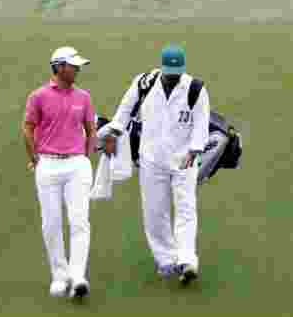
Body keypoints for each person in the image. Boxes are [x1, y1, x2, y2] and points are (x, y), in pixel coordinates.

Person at [100, 44, 210, 284]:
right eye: (169, 74)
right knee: (154, 211)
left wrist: (195, 149)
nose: (172, 79)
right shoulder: (144, 83)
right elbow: (125, 109)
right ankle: (166, 260)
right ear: (162, 69)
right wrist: (114, 133)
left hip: (184, 159)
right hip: (151, 159)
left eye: (176, 74)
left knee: (186, 209)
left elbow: (202, 123)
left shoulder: (195, 89)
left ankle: (187, 260)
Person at [23, 46, 97, 299]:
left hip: (77, 165)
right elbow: (28, 127)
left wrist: (85, 159)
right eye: (73, 66)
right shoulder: (38, 96)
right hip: (48, 165)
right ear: (59, 67)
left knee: (79, 222)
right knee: (51, 223)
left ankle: (78, 277)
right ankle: (59, 275)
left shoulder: (84, 97)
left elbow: (91, 128)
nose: (77, 70)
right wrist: (35, 157)